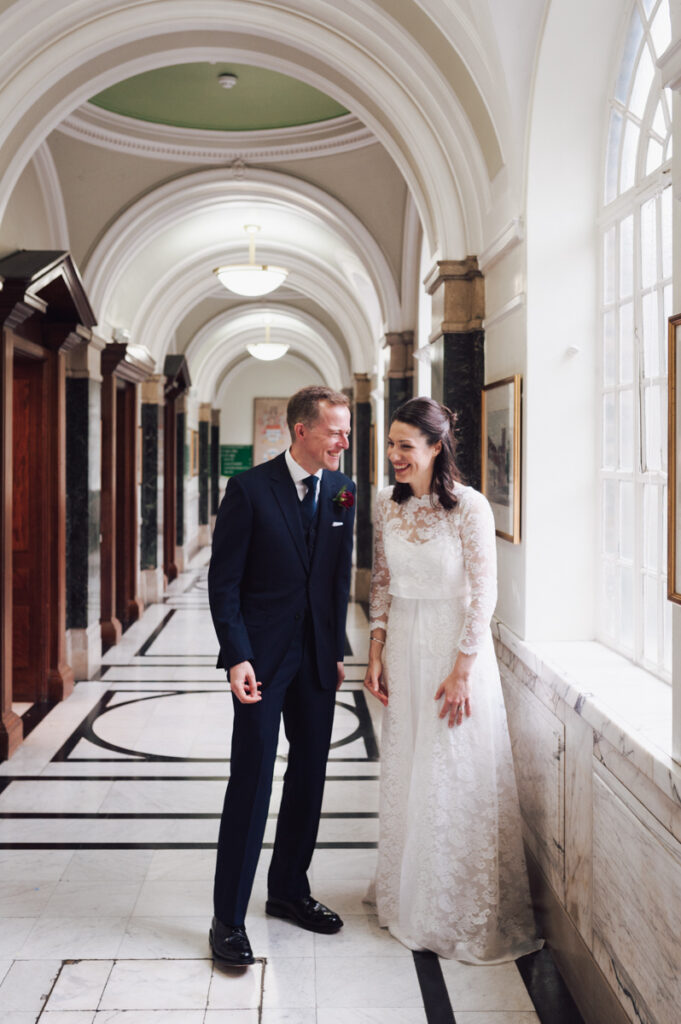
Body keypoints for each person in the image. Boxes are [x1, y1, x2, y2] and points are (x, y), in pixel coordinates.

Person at [364, 396, 541, 963]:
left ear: (436, 447)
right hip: (405, 649)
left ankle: (451, 909)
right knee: (409, 765)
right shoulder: (384, 506)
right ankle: (403, 895)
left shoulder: (469, 507)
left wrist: (463, 668)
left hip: (452, 653)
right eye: (391, 443)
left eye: (405, 446)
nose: (394, 455)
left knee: (450, 769)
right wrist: (376, 648)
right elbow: (383, 584)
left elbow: (484, 592)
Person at [208, 385, 355, 965]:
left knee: (310, 775)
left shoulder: (343, 490)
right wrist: (237, 656)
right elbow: (224, 584)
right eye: (336, 430)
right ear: (302, 431)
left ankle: (289, 890)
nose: (344, 440)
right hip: (262, 663)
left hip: (318, 660)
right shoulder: (248, 490)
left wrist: (336, 648)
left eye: (345, 430)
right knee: (252, 780)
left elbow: (336, 579)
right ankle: (228, 918)